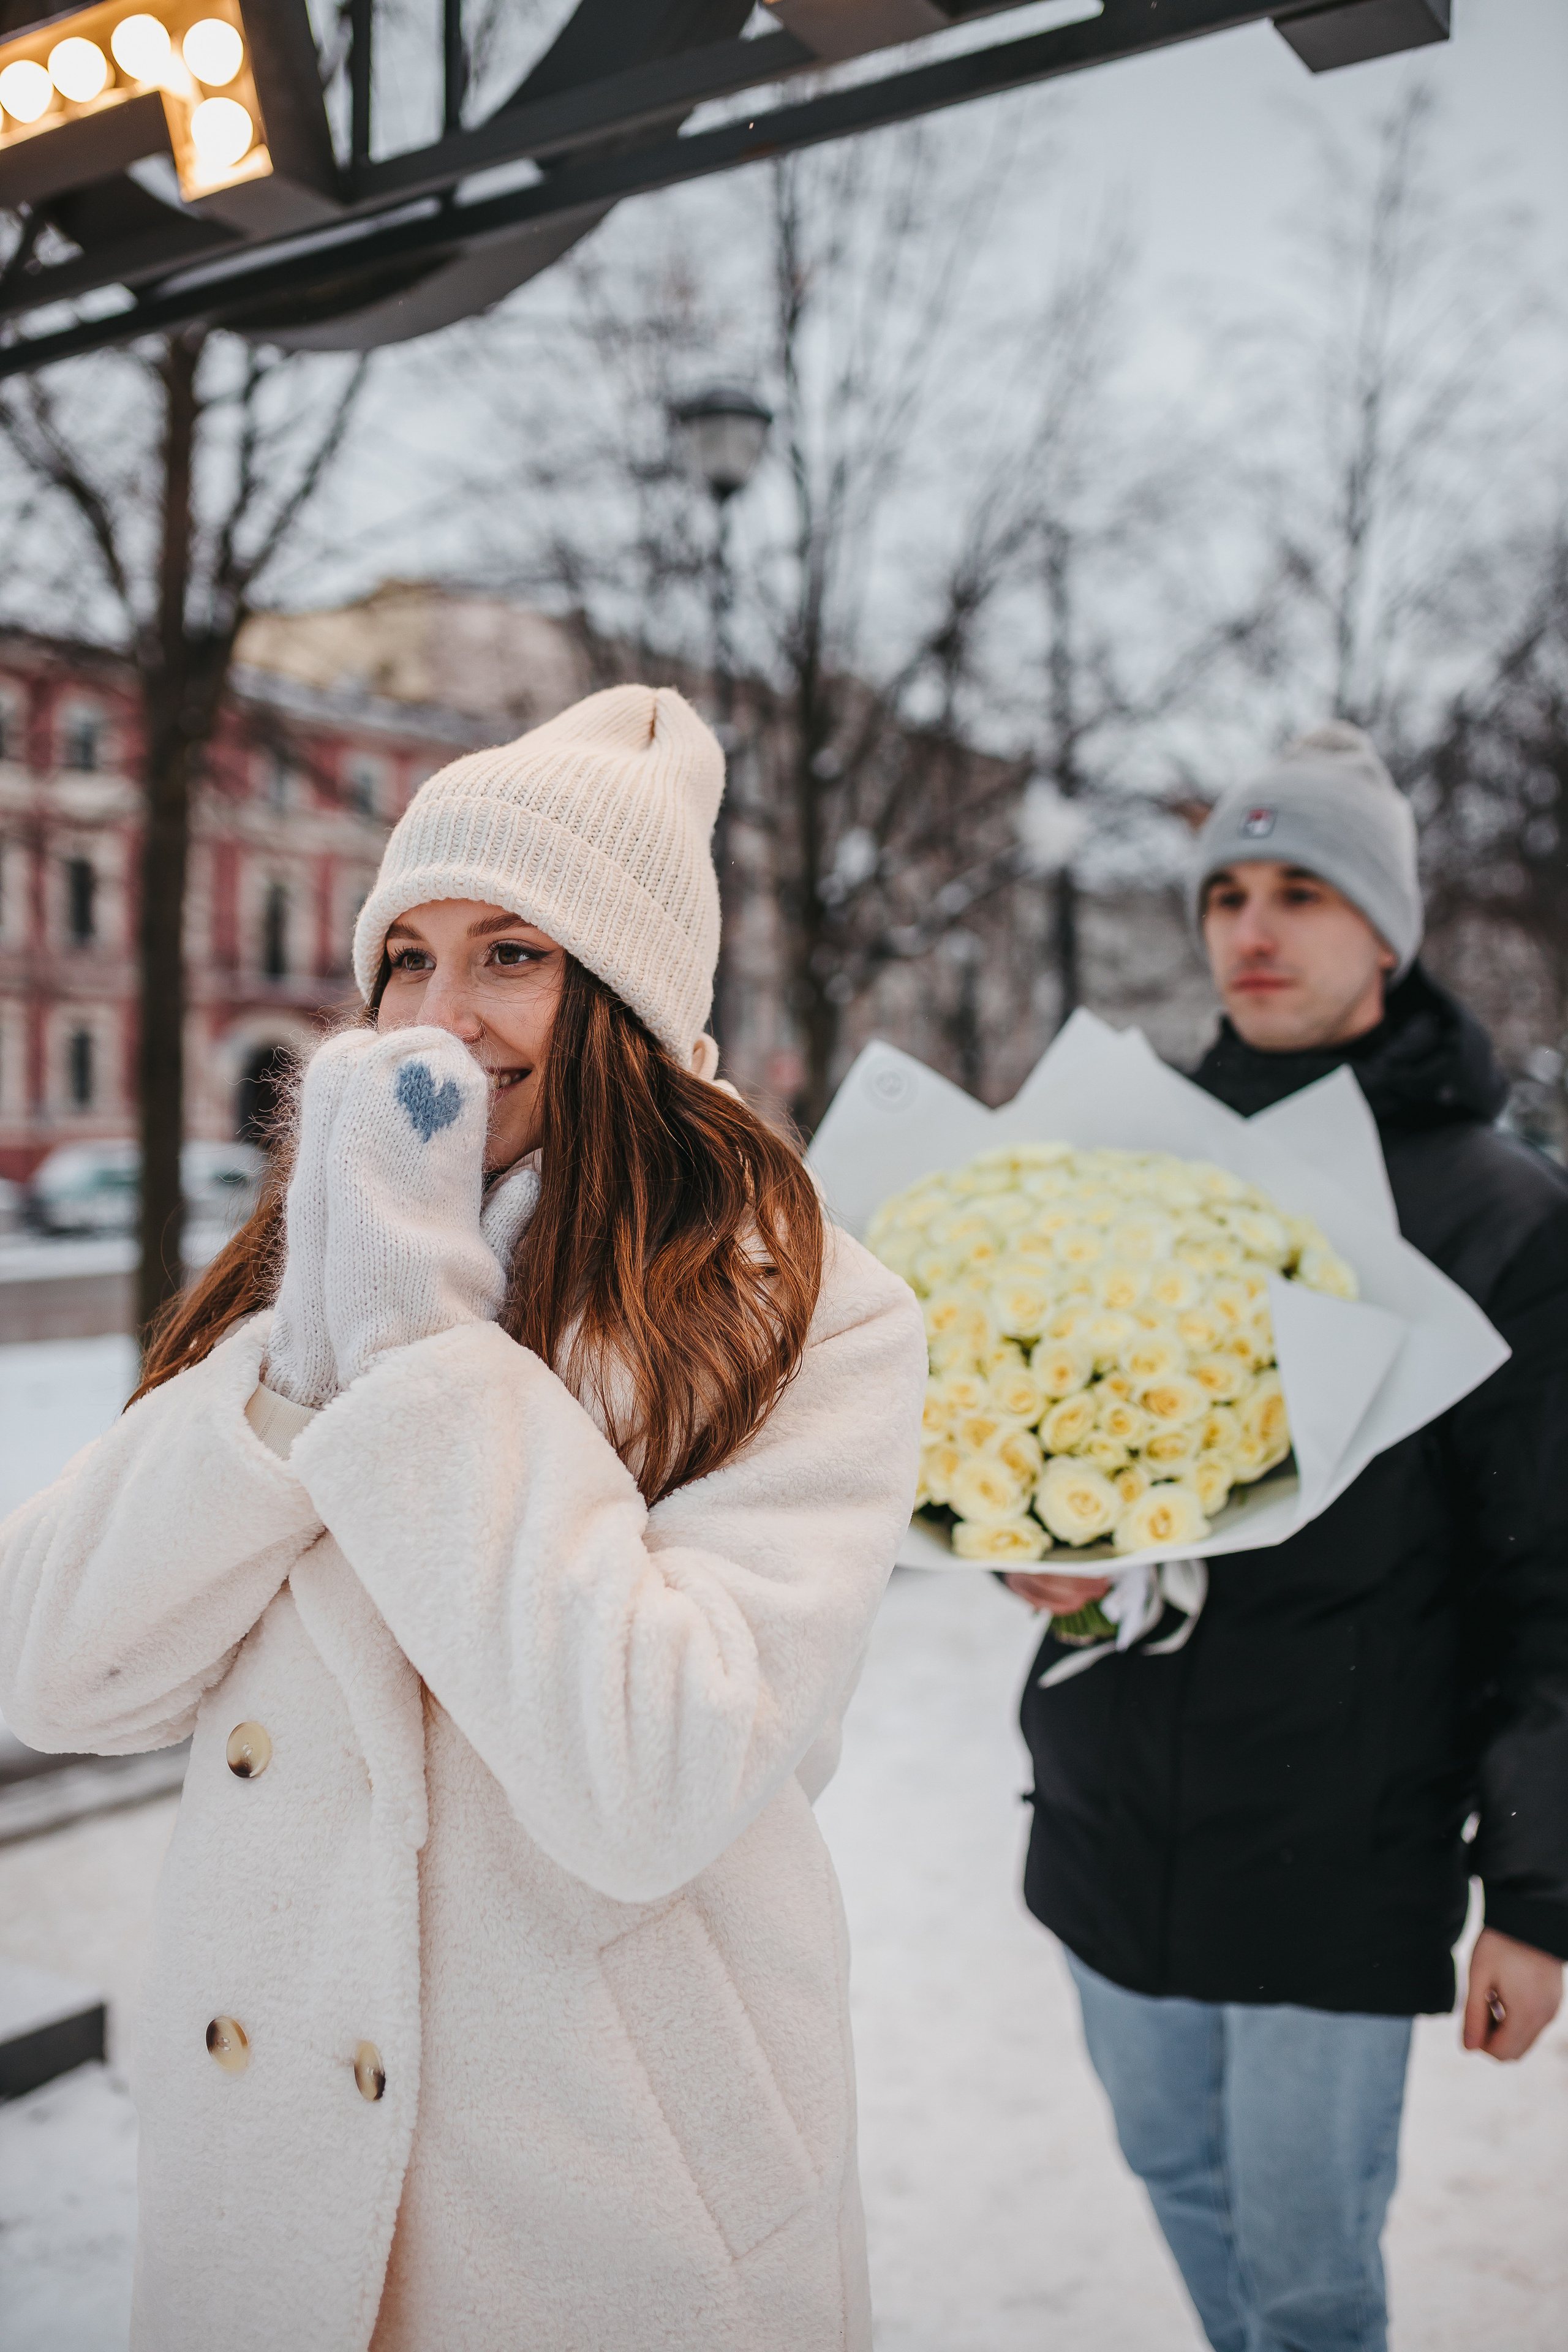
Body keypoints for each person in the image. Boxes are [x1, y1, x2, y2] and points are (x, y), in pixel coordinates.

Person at [0, 687, 927, 2352]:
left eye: (513, 955)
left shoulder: (808, 1318)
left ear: (628, 996)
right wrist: (296, 1371)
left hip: (604, 2201)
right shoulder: (298, 1300)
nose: (445, 1016)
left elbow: (651, 1777)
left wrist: (423, 1361)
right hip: (267, 2186)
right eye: (406, 959)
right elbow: (55, 1674)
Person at [1005, 723, 1568, 2352]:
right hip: (1118, 1809)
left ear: (1386, 930)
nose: (1251, 929)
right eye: (1227, 893)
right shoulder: (1138, 1176)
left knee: (1313, 2271)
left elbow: (1552, 1592)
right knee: (1176, 2172)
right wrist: (1053, 1567)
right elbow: (1064, 1460)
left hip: (1344, 1842)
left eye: (1302, 892)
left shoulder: (1499, 1214)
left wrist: (1536, 1896)